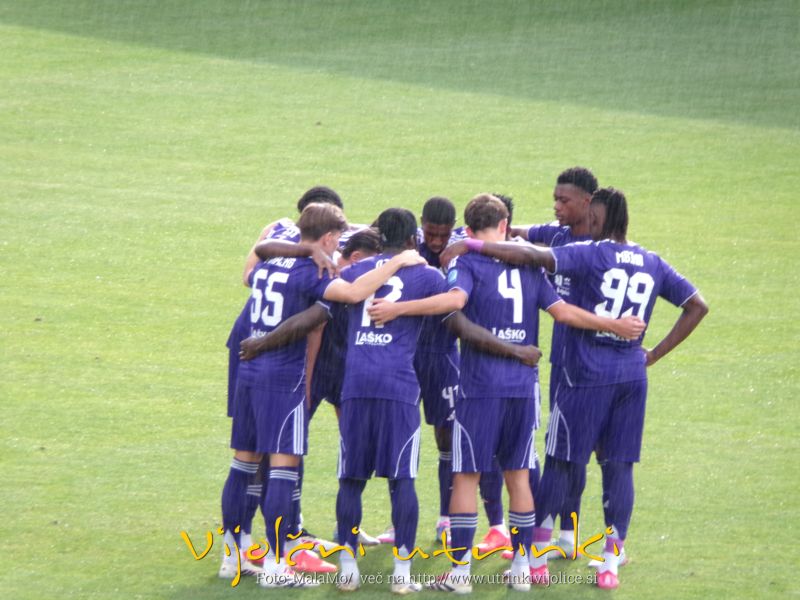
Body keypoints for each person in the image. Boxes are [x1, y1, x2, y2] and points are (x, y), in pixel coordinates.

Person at [368, 194, 644, 593]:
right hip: (521, 389)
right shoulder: (527, 265)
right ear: (503, 226)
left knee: (466, 477)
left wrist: (398, 309)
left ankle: (460, 575)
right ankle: (521, 569)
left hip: (480, 388)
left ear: (468, 228)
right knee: (518, 477)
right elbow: (563, 312)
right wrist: (614, 325)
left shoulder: (467, 262)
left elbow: (455, 302)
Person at [442, 188, 708, 590]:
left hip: (576, 377)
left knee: (556, 464)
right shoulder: (653, 261)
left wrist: (469, 245)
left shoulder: (589, 253)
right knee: (615, 468)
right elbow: (697, 305)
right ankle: (606, 562)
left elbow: (528, 260)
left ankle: (523, 560)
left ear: (597, 217)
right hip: (628, 376)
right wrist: (651, 353)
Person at [220, 203, 425, 588]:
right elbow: (354, 292)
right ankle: (278, 566)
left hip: (248, 373)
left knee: (243, 464)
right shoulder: (312, 271)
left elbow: (256, 256)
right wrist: (398, 262)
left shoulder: (272, 259)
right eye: (337, 239)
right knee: (282, 469)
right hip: (283, 378)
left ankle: (232, 557)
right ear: (329, 237)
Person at [512, 167, 599, 555]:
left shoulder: (599, 246)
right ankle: (566, 535)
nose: (557, 206)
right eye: (555, 199)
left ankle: (559, 533)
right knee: (565, 446)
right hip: (562, 360)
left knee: (569, 451)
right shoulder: (557, 234)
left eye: (564, 200)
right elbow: (519, 233)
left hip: (590, 363)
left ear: (587, 202)